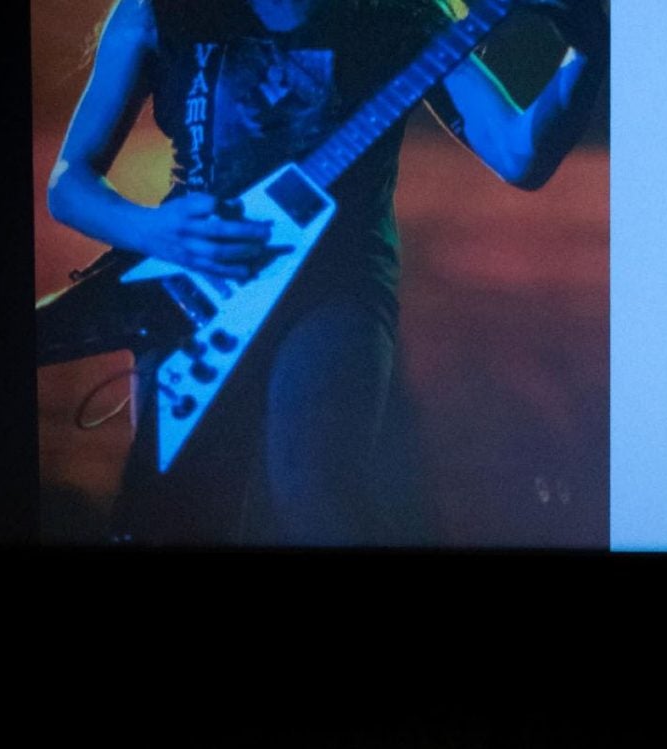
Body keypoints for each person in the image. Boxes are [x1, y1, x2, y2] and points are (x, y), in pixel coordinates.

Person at [45, 0, 608, 545]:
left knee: (319, 496)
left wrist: (588, 55)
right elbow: (69, 184)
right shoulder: (158, 11)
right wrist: (152, 230)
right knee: (174, 516)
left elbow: (518, 156)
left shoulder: (401, 11)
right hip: (199, 287)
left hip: (338, 288)